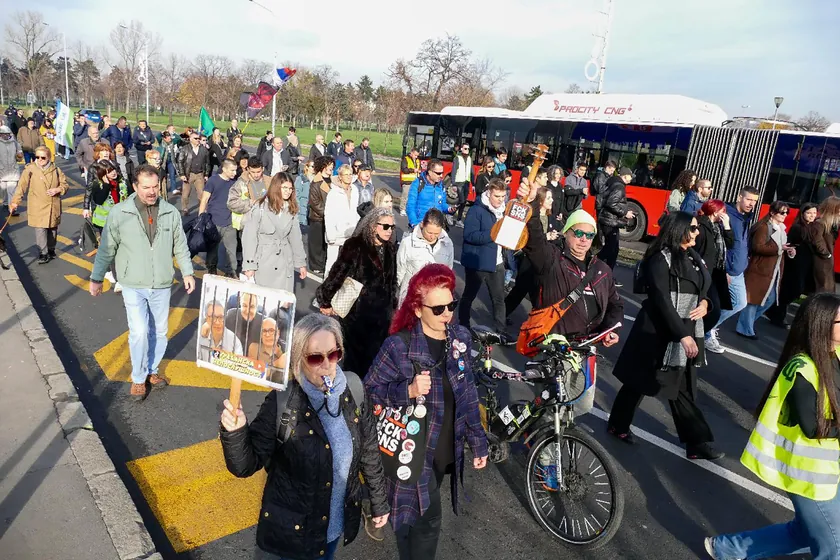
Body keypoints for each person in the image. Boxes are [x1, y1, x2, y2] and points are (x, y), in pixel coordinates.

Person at [220, 312, 389, 560]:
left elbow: (369, 450)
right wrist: (235, 432)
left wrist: (378, 500)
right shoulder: (283, 401)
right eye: (315, 358)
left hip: (330, 533)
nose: (327, 365)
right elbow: (244, 466)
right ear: (299, 358)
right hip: (288, 539)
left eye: (334, 354)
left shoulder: (353, 389)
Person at [364, 263, 489, 560]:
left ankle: (397, 519)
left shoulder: (459, 338)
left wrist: (478, 440)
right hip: (413, 451)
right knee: (430, 519)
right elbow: (368, 394)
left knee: (415, 514)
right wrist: (405, 391)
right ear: (418, 309)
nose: (447, 313)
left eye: (452, 305)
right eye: (439, 309)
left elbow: (468, 392)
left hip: (445, 447)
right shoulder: (398, 347)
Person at [704, 293, 840, 560]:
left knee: (803, 532)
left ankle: (727, 549)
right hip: (809, 476)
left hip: (827, 469)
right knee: (834, 546)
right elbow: (814, 427)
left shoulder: (834, 353)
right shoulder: (802, 368)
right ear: (823, 325)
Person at [608, 211, 722, 460]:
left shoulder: (692, 256)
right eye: (692, 228)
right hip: (658, 330)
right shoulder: (660, 259)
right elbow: (661, 300)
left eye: (697, 228)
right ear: (678, 229)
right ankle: (618, 425)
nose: (697, 232)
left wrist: (706, 305)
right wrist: (682, 335)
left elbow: (704, 288)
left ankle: (696, 443)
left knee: (681, 386)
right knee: (639, 382)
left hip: (687, 328)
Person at [89, 164, 195, 399]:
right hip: (132, 282)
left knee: (159, 331)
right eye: (146, 187)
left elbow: (180, 245)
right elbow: (106, 248)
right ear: (135, 186)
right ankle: (138, 378)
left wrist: (187, 272)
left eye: (155, 186)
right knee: (138, 332)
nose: (151, 191)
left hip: (162, 282)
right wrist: (97, 278)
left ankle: (151, 370)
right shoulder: (120, 213)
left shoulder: (170, 212)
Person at [316, 207, 397, 376]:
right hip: (358, 317)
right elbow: (337, 274)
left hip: (382, 319)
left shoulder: (390, 248)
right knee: (354, 366)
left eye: (392, 227)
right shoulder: (355, 245)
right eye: (386, 226)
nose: (390, 231)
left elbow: (392, 281)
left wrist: (393, 307)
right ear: (373, 226)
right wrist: (325, 299)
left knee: (375, 366)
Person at [704, 186, 759, 354]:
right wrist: (724, 269)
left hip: (738, 270)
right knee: (725, 303)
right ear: (739, 197)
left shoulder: (745, 216)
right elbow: (720, 244)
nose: (751, 204)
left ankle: (706, 329)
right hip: (728, 270)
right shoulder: (726, 215)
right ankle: (706, 332)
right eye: (748, 199)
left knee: (738, 303)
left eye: (754, 201)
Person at [459, 178, 510, 341]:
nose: (500, 200)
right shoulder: (476, 210)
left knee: (499, 299)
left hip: (497, 262)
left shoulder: (503, 211)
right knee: (469, 296)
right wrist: (493, 234)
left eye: (503, 196)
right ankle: (463, 327)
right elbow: (469, 235)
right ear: (489, 193)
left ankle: (500, 331)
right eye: (497, 196)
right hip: (479, 262)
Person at [736, 201, 795, 339]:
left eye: (787, 213)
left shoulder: (781, 227)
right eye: (782, 212)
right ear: (773, 213)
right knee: (754, 299)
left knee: (770, 299)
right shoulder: (764, 227)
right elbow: (758, 247)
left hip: (773, 271)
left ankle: (746, 323)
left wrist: (789, 251)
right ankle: (745, 328)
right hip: (760, 269)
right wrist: (780, 248)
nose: (785, 215)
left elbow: (780, 248)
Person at [505, 186, 566, 318]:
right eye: (548, 198)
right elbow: (529, 238)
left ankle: (537, 319)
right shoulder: (532, 217)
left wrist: (558, 235)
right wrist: (546, 237)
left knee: (538, 295)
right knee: (520, 291)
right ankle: (501, 315)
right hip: (529, 260)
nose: (552, 200)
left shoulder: (552, 218)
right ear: (540, 201)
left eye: (552, 197)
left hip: (545, 262)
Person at [242, 172, 307, 292]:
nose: (288, 191)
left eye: (290, 188)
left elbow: (296, 238)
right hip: (263, 262)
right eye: (284, 188)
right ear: (276, 187)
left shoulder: (291, 209)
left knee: (282, 305)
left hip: (284, 262)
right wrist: (249, 265)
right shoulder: (260, 208)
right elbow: (249, 238)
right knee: (263, 303)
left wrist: (301, 263)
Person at [9, 146, 68, 263]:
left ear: (49, 158)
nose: (39, 160)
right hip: (37, 204)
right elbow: (21, 186)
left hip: (53, 204)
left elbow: (65, 184)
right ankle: (43, 253)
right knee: (40, 229)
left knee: (52, 229)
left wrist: (58, 189)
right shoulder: (30, 169)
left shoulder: (56, 170)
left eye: (43, 157)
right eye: (37, 157)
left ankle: (51, 249)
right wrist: (15, 202)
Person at [767, 203, 820, 327]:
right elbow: (790, 244)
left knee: (797, 290)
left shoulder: (813, 227)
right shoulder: (797, 227)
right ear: (802, 214)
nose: (812, 215)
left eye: (814, 213)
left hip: (806, 263)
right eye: (808, 213)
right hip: (796, 263)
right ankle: (777, 314)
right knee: (792, 289)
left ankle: (776, 312)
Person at [397, 208, 454, 304]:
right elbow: (400, 271)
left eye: (436, 233)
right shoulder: (408, 243)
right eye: (429, 232)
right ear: (422, 224)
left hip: (435, 299)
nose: (432, 236)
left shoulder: (447, 244)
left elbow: (448, 270)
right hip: (411, 297)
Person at [694, 199, 734, 333]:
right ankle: (697, 334)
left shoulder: (717, 227)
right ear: (715, 211)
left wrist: (727, 226)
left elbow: (729, 244)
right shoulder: (702, 225)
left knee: (713, 308)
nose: (725, 214)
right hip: (705, 273)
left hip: (716, 273)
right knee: (713, 310)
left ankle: (699, 334)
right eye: (723, 211)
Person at [198, 160, 239, 276]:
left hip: (229, 222)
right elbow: (204, 199)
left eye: (235, 170)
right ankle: (211, 268)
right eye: (232, 170)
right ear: (224, 169)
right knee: (212, 249)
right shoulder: (213, 181)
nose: (235, 173)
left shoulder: (234, 183)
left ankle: (231, 270)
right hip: (214, 221)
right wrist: (201, 219)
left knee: (231, 248)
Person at [596, 166, 636, 271]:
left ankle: (607, 273)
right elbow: (611, 203)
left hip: (610, 220)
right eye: (630, 176)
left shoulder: (614, 183)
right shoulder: (619, 187)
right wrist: (625, 212)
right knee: (611, 249)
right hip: (610, 221)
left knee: (613, 249)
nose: (631, 179)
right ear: (625, 176)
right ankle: (593, 264)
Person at [324, 164, 361, 275]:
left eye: (350, 174)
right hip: (336, 234)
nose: (349, 176)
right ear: (340, 176)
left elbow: (356, 211)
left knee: (348, 264)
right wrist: (331, 235)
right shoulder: (333, 193)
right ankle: (327, 287)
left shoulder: (355, 190)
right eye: (346, 174)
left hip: (350, 233)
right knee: (332, 264)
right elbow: (329, 214)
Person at [406, 159, 452, 229]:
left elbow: (442, 204)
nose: (441, 176)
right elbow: (410, 206)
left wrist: (449, 209)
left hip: (437, 226)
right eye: (438, 173)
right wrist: (414, 224)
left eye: (442, 173)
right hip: (421, 225)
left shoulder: (441, 185)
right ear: (429, 172)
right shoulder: (418, 183)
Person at [307, 156, 334, 275]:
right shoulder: (316, 183)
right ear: (323, 166)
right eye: (329, 165)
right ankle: (315, 265)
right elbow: (315, 203)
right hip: (318, 218)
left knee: (325, 243)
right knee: (316, 243)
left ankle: (324, 263)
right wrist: (327, 214)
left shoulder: (334, 181)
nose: (331, 168)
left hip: (330, 217)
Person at [227, 156, 267, 234]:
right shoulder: (240, 183)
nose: (256, 175)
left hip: (265, 226)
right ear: (248, 169)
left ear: (263, 169)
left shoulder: (269, 181)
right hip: (247, 227)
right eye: (253, 172)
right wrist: (251, 203)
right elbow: (231, 203)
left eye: (258, 172)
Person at [175, 131, 211, 215]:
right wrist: (182, 174)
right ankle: (185, 209)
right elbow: (180, 162)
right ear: (191, 139)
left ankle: (204, 209)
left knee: (201, 193)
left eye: (199, 138)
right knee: (185, 194)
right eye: (196, 138)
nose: (198, 140)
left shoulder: (204, 150)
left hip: (200, 174)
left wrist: (206, 174)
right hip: (188, 174)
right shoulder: (185, 149)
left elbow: (207, 163)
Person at [812, 196, 840, 294]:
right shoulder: (820, 223)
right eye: (838, 210)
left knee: (827, 289)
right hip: (822, 261)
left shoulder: (832, 224)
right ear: (832, 210)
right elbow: (817, 241)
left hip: (826, 261)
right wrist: (826, 254)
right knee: (824, 289)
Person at [0, 125, 22, 214]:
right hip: (2, 172)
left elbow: (20, 156)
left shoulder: (15, 143)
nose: (5, 136)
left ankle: (12, 208)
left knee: (12, 191)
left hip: (13, 171)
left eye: (7, 134)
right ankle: (5, 203)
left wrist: (19, 156)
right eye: (2, 134)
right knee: (3, 190)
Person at [451, 143, 474, 224]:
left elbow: (472, 172)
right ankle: (451, 213)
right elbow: (453, 171)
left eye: (468, 149)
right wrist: (453, 184)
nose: (467, 150)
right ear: (461, 149)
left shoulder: (469, 159)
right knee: (461, 200)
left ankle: (459, 220)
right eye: (465, 148)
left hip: (466, 183)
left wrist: (473, 184)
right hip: (459, 182)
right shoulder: (457, 158)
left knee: (464, 202)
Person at [400, 146, 420, 216]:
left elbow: (419, 168)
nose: (416, 157)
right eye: (415, 155)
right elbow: (404, 169)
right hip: (407, 181)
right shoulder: (405, 159)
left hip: (414, 181)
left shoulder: (417, 160)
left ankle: (408, 209)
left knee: (412, 196)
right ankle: (402, 209)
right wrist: (412, 170)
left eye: (417, 155)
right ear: (411, 153)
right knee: (405, 195)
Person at [295, 160, 315, 227]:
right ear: (307, 167)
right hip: (302, 209)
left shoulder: (317, 179)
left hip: (312, 209)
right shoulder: (301, 179)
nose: (314, 168)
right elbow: (296, 195)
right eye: (312, 166)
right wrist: (298, 209)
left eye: (315, 167)